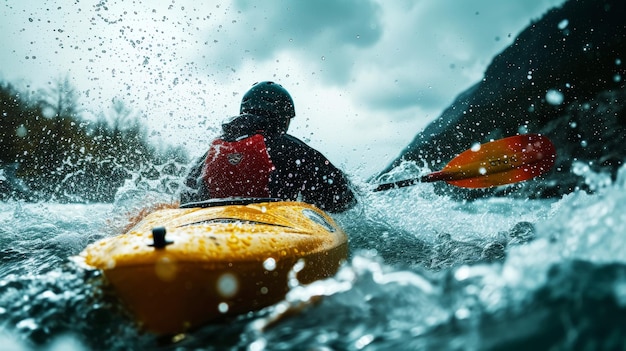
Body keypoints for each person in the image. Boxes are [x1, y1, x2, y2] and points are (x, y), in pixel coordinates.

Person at [181, 81, 356, 213]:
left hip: (214, 227)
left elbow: (186, 198)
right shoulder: (289, 147)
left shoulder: (213, 151)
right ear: (282, 117)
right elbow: (342, 198)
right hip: (271, 231)